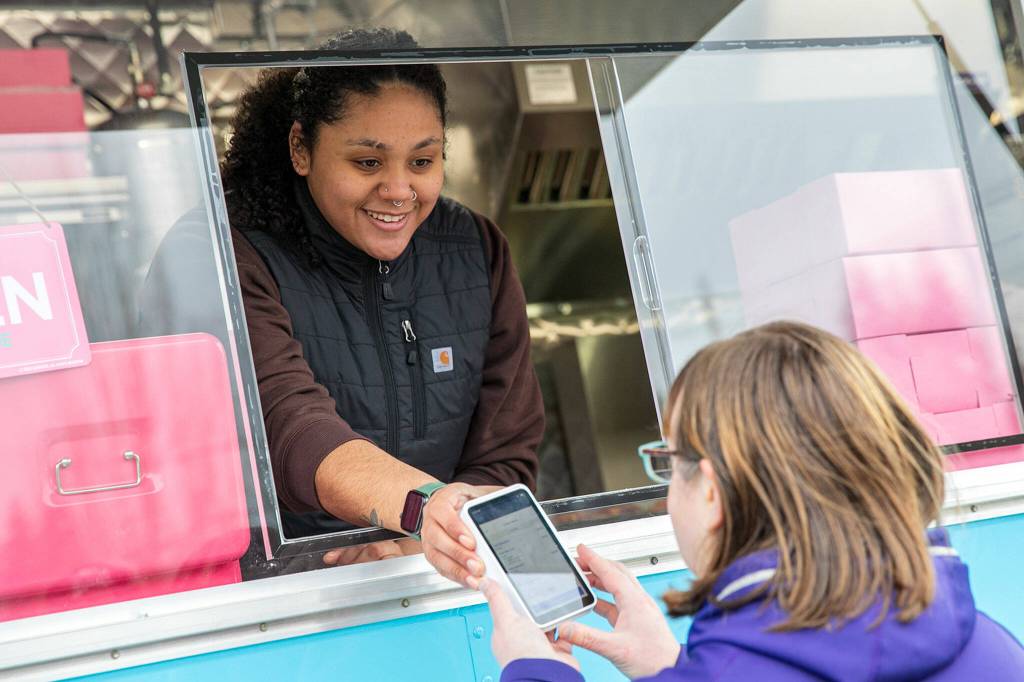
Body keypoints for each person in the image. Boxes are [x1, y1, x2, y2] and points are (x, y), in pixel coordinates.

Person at [481, 321, 1024, 681]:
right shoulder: (990, 643)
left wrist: (537, 672)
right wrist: (669, 669)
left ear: (712, 490)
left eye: (670, 463)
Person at [218, 28, 543, 581]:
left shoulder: (475, 249)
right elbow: (290, 426)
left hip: (437, 572)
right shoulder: (232, 251)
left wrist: (435, 539)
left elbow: (506, 451)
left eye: (422, 161)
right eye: (368, 163)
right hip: (287, 594)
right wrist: (424, 511)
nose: (398, 190)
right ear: (301, 148)